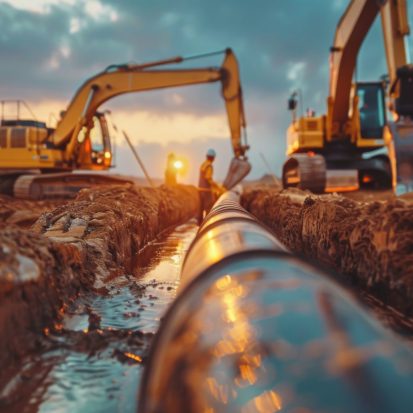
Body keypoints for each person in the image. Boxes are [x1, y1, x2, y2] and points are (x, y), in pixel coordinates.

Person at [198, 148, 222, 225]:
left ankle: (199, 226)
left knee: (200, 209)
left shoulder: (203, 164)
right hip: (206, 190)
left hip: (200, 189)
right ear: (213, 158)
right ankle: (207, 225)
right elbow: (208, 178)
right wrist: (217, 187)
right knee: (208, 208)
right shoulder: (209, 166)